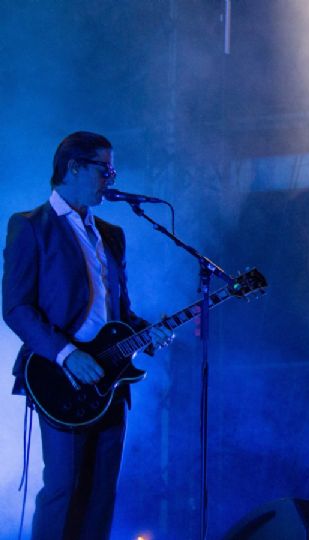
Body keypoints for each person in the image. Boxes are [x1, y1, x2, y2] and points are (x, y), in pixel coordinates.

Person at [2, 131, 173, 540]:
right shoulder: (30, 226)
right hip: (58, 377)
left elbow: (120, 312)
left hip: (111, 379)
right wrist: (65, 353)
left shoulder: (111, 234)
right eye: (104, 169)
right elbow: (15, 307)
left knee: (100, 493)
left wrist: (148, 331)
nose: (110, 179)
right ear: (74, 167)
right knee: (63, 488)